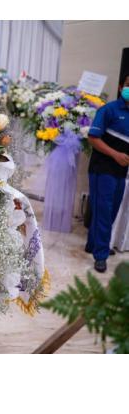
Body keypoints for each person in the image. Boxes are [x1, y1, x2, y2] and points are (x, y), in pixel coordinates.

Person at [86, 73, 129, 272]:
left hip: (121, 171)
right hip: (102, 168)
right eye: (128, 84)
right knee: (103, 212)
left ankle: (92, 244)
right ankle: (101, 255)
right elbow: (93, 138)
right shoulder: (108, 110)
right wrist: (115, 155)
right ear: (121, 87)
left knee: (110, 212)